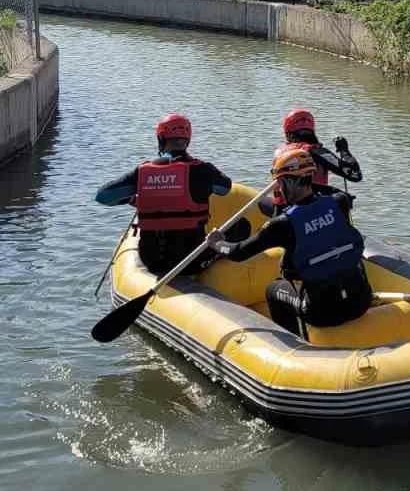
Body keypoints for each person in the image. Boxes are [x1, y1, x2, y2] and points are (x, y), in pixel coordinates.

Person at [208, 144, 371, 337]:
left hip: (322, 314)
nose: (279, 189)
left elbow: (238, 253)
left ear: (288, 182)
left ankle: (295, 342)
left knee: (273, 290)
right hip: (361, 302)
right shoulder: (340, 202)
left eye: (280, 183)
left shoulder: (283, 224)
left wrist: (217, 243)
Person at [95, 113, 232, 277]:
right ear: (187, 140)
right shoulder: (203, 169)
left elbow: (103, 196)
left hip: (151, 260)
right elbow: (225, 189)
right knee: (237, 231)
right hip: (191, 260)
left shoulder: (143, 171)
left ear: (161, 139)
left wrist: (133, 199)